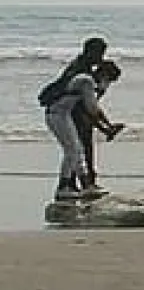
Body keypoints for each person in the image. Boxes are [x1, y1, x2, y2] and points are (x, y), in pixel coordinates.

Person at [44, 60, 125, 202]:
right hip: (56, 115)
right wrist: (107, 128)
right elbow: (92, 109)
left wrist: (108, 126)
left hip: (64, 114)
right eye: (109, 80)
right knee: (72, 151)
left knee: (77, 150)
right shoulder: (86, 82)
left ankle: (86, 185)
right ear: (104, 74)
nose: (108, 84)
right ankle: (63, 187)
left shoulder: (87, 80)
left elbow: (94, 109)